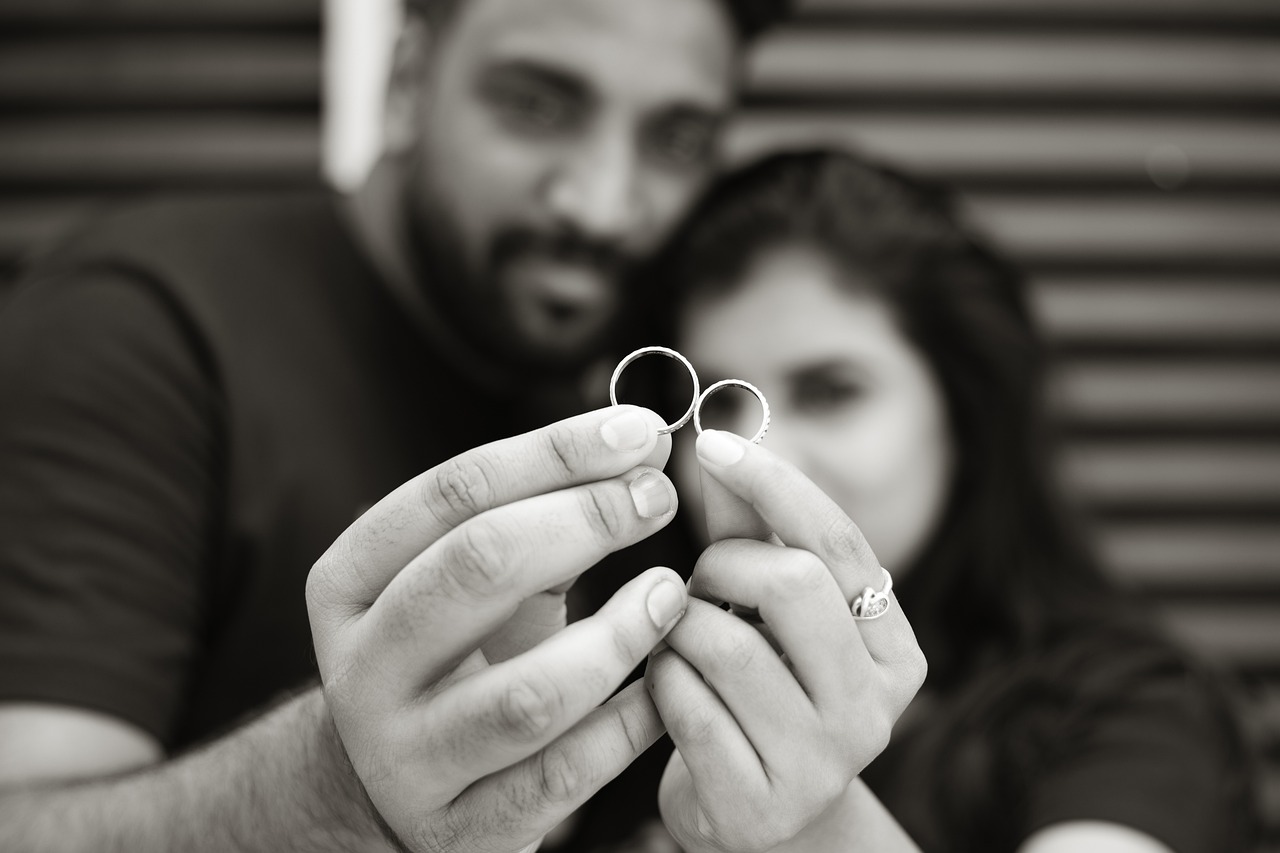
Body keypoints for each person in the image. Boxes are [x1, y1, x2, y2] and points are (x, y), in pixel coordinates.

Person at [0, 2, 927, 850]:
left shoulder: (650, 368)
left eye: (676, 140)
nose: (603, 206)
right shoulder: (134, 331)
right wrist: (336, 789)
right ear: (404, 83)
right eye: (537, 104)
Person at [599, 148, 1257, 852]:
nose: (761, 456)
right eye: (718, 405)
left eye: (831, 391)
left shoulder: (1132, 715)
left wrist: (819, 822)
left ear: (963, 416)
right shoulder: (621, 680)